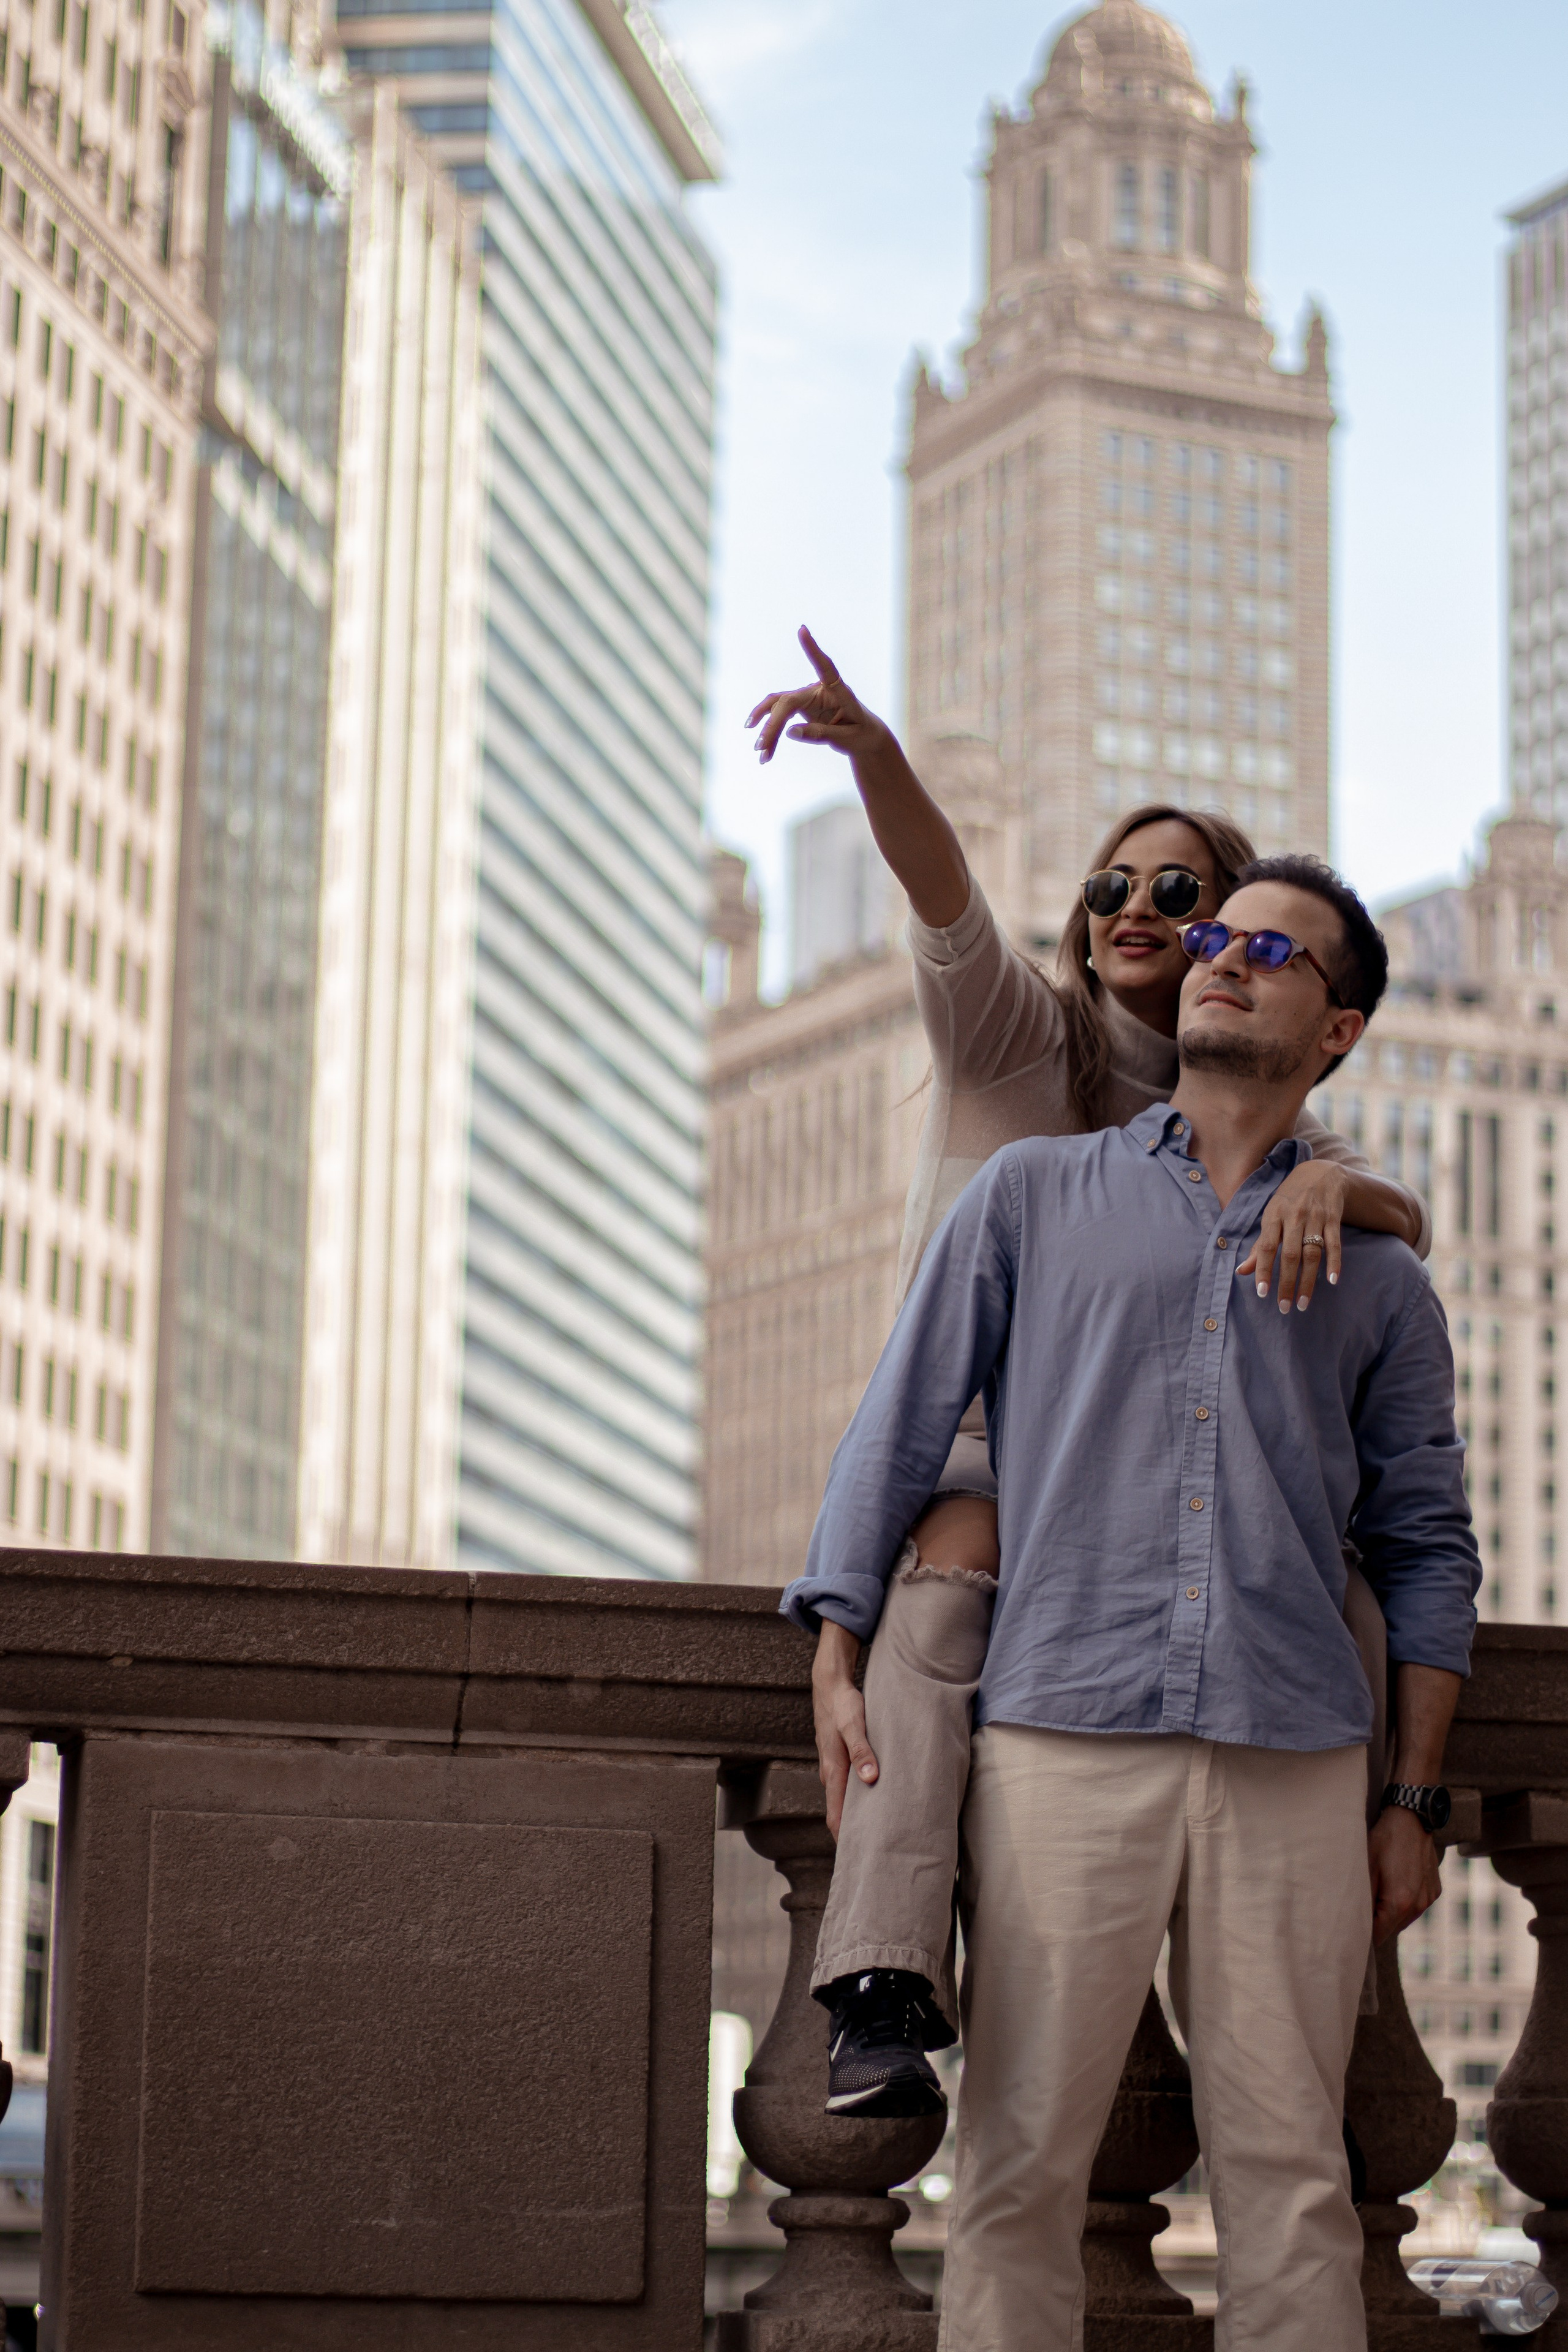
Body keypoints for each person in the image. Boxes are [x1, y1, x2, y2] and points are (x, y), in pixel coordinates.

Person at [781, 856, 1479, 2352]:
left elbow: (1426, 1545)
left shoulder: (1378, 1282)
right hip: (1057, 1731)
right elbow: (900, 1423)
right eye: (1214, 936)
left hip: (1294, 1754)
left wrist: (1411, 1796)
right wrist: (837, 1653)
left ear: (1337, 1026)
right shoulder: (1037, 1196)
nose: (1222, 957)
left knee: (1293, 2179)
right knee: (1018, 2167)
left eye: (1271, 951)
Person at [747, 632, 1431, 2108]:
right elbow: (941, 893)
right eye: (1108, 887)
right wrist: (873, 758)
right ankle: (882, 1981)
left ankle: (1325, 1969)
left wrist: (1342, 1187)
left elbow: (1395, 1220)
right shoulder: (1015, 1044)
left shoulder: (1268, 1106)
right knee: (946, 1595)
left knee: (1347, 1602)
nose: (1135, 906)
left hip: (1163, 1482)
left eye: (1177, 893)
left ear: (1235, 934)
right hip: (995, 1451)